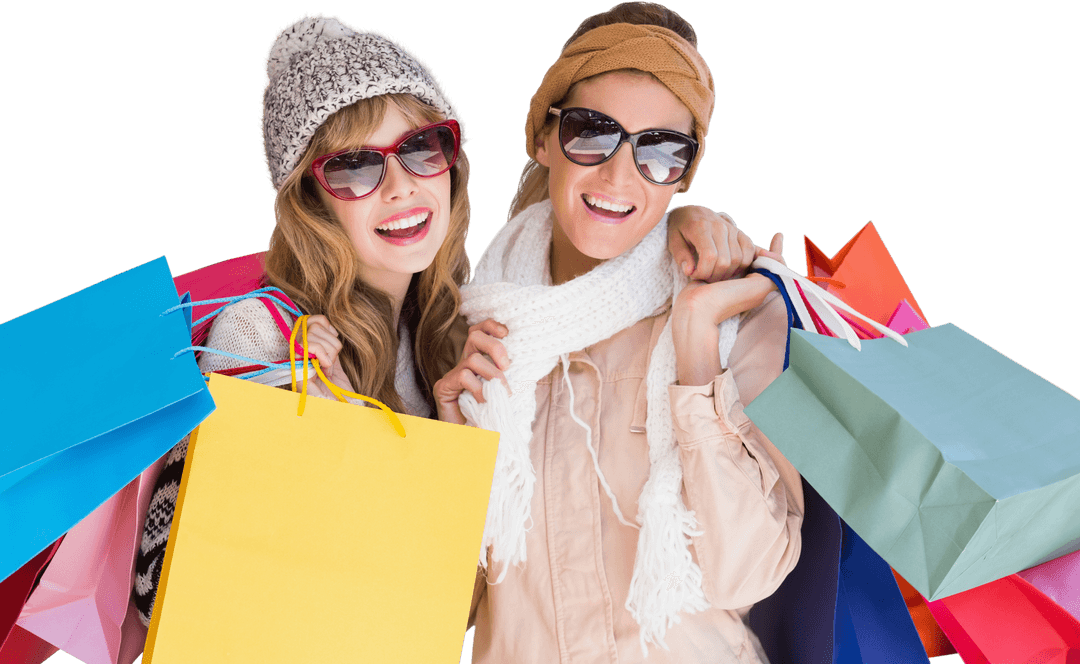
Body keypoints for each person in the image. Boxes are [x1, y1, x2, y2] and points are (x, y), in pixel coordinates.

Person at [131, 12, 752, 632]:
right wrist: (318, 434)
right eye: (354, 168)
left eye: (421, 149)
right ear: (310, 200)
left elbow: (445, 602)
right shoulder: (261, 336)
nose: (401, 187)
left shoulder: (458, 327)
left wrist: (681, 221)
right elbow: (163, 586)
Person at [436, 3, 805, 662]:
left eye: (660, 150)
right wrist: (451, 452)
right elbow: (444, 612)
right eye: (591, 132)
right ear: (543, 139)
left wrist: (694, 346)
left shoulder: (734, 321)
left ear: (682, 174)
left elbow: (744, 575)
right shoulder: (474, 340)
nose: (618, 173)